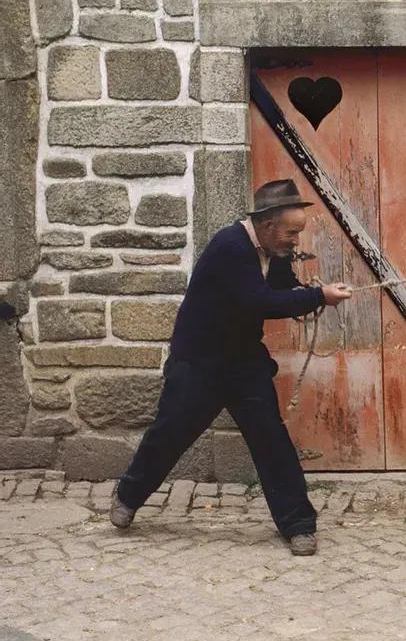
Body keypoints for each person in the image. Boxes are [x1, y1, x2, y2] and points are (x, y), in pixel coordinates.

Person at [110, 179, 353, 556]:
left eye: (297, 234)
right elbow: (260, 302)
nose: (294, 241)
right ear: (268, 224)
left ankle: (299, 525)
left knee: (271, 441)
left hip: (243, 363)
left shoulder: (274, 251)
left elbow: (283, 291)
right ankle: (128, 497)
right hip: (199, 361)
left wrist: (309, 294)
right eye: (291, 233)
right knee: (169, 435)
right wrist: (319, 296)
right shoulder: (230, 247)